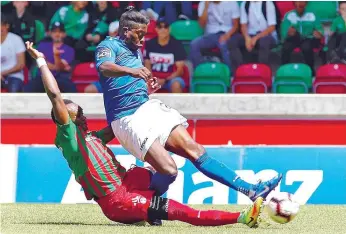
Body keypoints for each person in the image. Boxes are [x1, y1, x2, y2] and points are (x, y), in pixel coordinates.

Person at [25, 40, 264, 227]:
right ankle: (241, 218)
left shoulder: (93, 138)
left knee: (165, 171)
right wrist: (42, 61)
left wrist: (142, 97)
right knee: (179, 210)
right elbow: (55, 96)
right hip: (117, 200)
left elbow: (125, 121)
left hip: (128, 181)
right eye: (78, 115)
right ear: (64, 119)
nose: (84, 116)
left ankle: (151, 210)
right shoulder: (68, 136)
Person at [95, 6, 282, 209]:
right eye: (139, 34)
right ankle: (145, 206)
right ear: (125, 31)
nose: (143, 39)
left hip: (146, 107)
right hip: (126, 118)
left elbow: (127, 85)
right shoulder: (109, 45)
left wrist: (146, 88)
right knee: (169, 170)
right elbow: (105, 68)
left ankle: (251, 190)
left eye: (145, 34)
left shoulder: (137, 51)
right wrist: (131, 72)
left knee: (196, 150)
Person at [24, 22, 76, 93]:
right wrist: (57, 66)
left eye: (60, 32)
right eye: (54, 32)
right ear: (50, 33)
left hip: (60, 78)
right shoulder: (42, 45)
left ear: (64, 34)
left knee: (71, 88)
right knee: (27, 89)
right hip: (42, 78)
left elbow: (59, 68)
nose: (57, 34)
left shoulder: (69, 49)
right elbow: (38, 63)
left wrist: (56, 56)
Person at [190, 1, 240, 72]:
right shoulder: (203, 4)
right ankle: (199, 72)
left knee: (223, 44)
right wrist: (206, 7)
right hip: (210, 35)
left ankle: (229, 74)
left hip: (228, 33)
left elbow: (236, 26)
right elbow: (201, 25)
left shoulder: (232, 2)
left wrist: (227, 35)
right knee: (194, 44)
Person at [229, 1, 278, 71]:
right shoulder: (245, 4)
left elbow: (272, 27)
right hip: (250, 34)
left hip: (267, 35)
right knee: (233, 41)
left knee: (264, 42)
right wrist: (247, 38)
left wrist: (256, 38)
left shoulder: (268, 3)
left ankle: (262, 71)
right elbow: (243, 25)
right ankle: (239, 70)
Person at [144, 18, 187, 93]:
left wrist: (165, 80)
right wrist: (153, 80)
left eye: (165, 26)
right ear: (156, 29)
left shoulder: (177, 45)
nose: (163, 29)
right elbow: (147, 66)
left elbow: (179, 71)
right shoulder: (150, 44)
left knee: (176, 85)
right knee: (142, 86)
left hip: (171, 79)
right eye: (160, 27)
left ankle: (177, 105)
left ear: (169, 29)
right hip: (153, 78)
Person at [281, 1, 323, 73]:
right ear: (294, 3)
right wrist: (288, 33)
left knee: (306, 46)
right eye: (297, 2)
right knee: (286, 47)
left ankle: (310, 71)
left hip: (308, 38)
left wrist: (318, 33)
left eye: (302, 2)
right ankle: (284, 70)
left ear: (306, 4)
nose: (299, 4)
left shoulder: (312, 15)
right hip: (294, 38)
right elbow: (283, 32)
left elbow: (320, 30)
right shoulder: (289, 15)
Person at [1, 15, 26, 92]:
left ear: (6, 26)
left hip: (14, 76)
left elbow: (21, 64)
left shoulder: (16, 39)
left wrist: (2, 73)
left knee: (14, 92)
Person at [8, 1, 36, 68]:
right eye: (17, 2)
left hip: (25, 46)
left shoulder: (31, 19)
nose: (19, 4)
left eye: (22, 1)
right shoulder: (9, 18)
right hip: (11, 46)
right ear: (13, 3)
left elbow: (31, 37)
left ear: (26, 3)